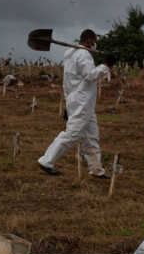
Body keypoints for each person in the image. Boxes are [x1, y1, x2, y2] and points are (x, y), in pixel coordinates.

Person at [38, 29, 111, 177]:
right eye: (94, 41)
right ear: (90, 40)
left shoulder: (70, 53)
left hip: (78, 100)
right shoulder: (84, 54)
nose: (95, 45)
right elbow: (90, 75)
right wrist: (105, 65)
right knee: (72, 133)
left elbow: (68, 81)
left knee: (91, 136)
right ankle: (47, 161)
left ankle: (96, 169)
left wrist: (68, 103)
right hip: (82, 102)